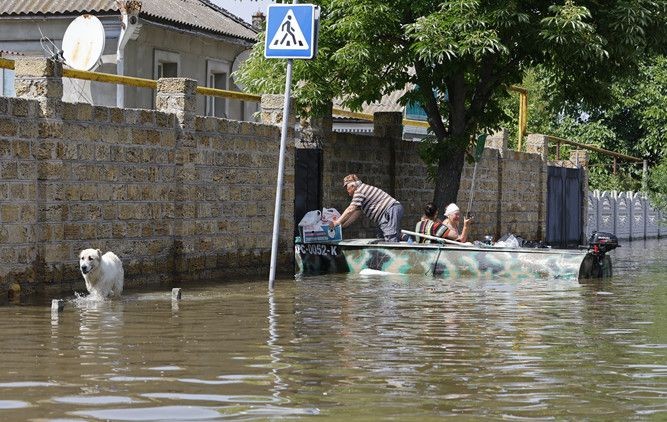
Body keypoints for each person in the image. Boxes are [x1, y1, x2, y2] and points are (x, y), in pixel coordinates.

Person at [329, 174, 404, 242]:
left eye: (347, 187)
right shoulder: (362, 191)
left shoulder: (359, 191)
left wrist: (337, 222)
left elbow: (351, 209)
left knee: (390, 236)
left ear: (353, 186)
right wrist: (343, 225)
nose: (347, 191)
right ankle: (405, 238)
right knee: (382, 236)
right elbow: (355, 213)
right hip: (386, 213)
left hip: (389, 210)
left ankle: (397, 253)